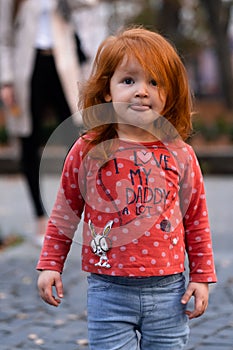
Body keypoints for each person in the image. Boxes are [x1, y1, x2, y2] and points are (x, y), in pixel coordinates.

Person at [36, 27, 217, 349]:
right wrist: (51, 264)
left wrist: (201, 277)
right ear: (107, 90)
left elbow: (196, 219)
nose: (142, 91)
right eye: (129, 80)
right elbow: (65, 211)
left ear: (170, 93)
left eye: (154, 82)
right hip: (108, 290)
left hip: (169, 291)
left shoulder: (180, 154)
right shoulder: (88, 150)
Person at [0, 0, 91, 244]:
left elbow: (89, 4)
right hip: (27, 70)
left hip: (63, 67)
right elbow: (4, 38)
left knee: (75, 140)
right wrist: (6, 80)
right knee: (29, 142)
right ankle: (40, 217)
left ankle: (75, 213)